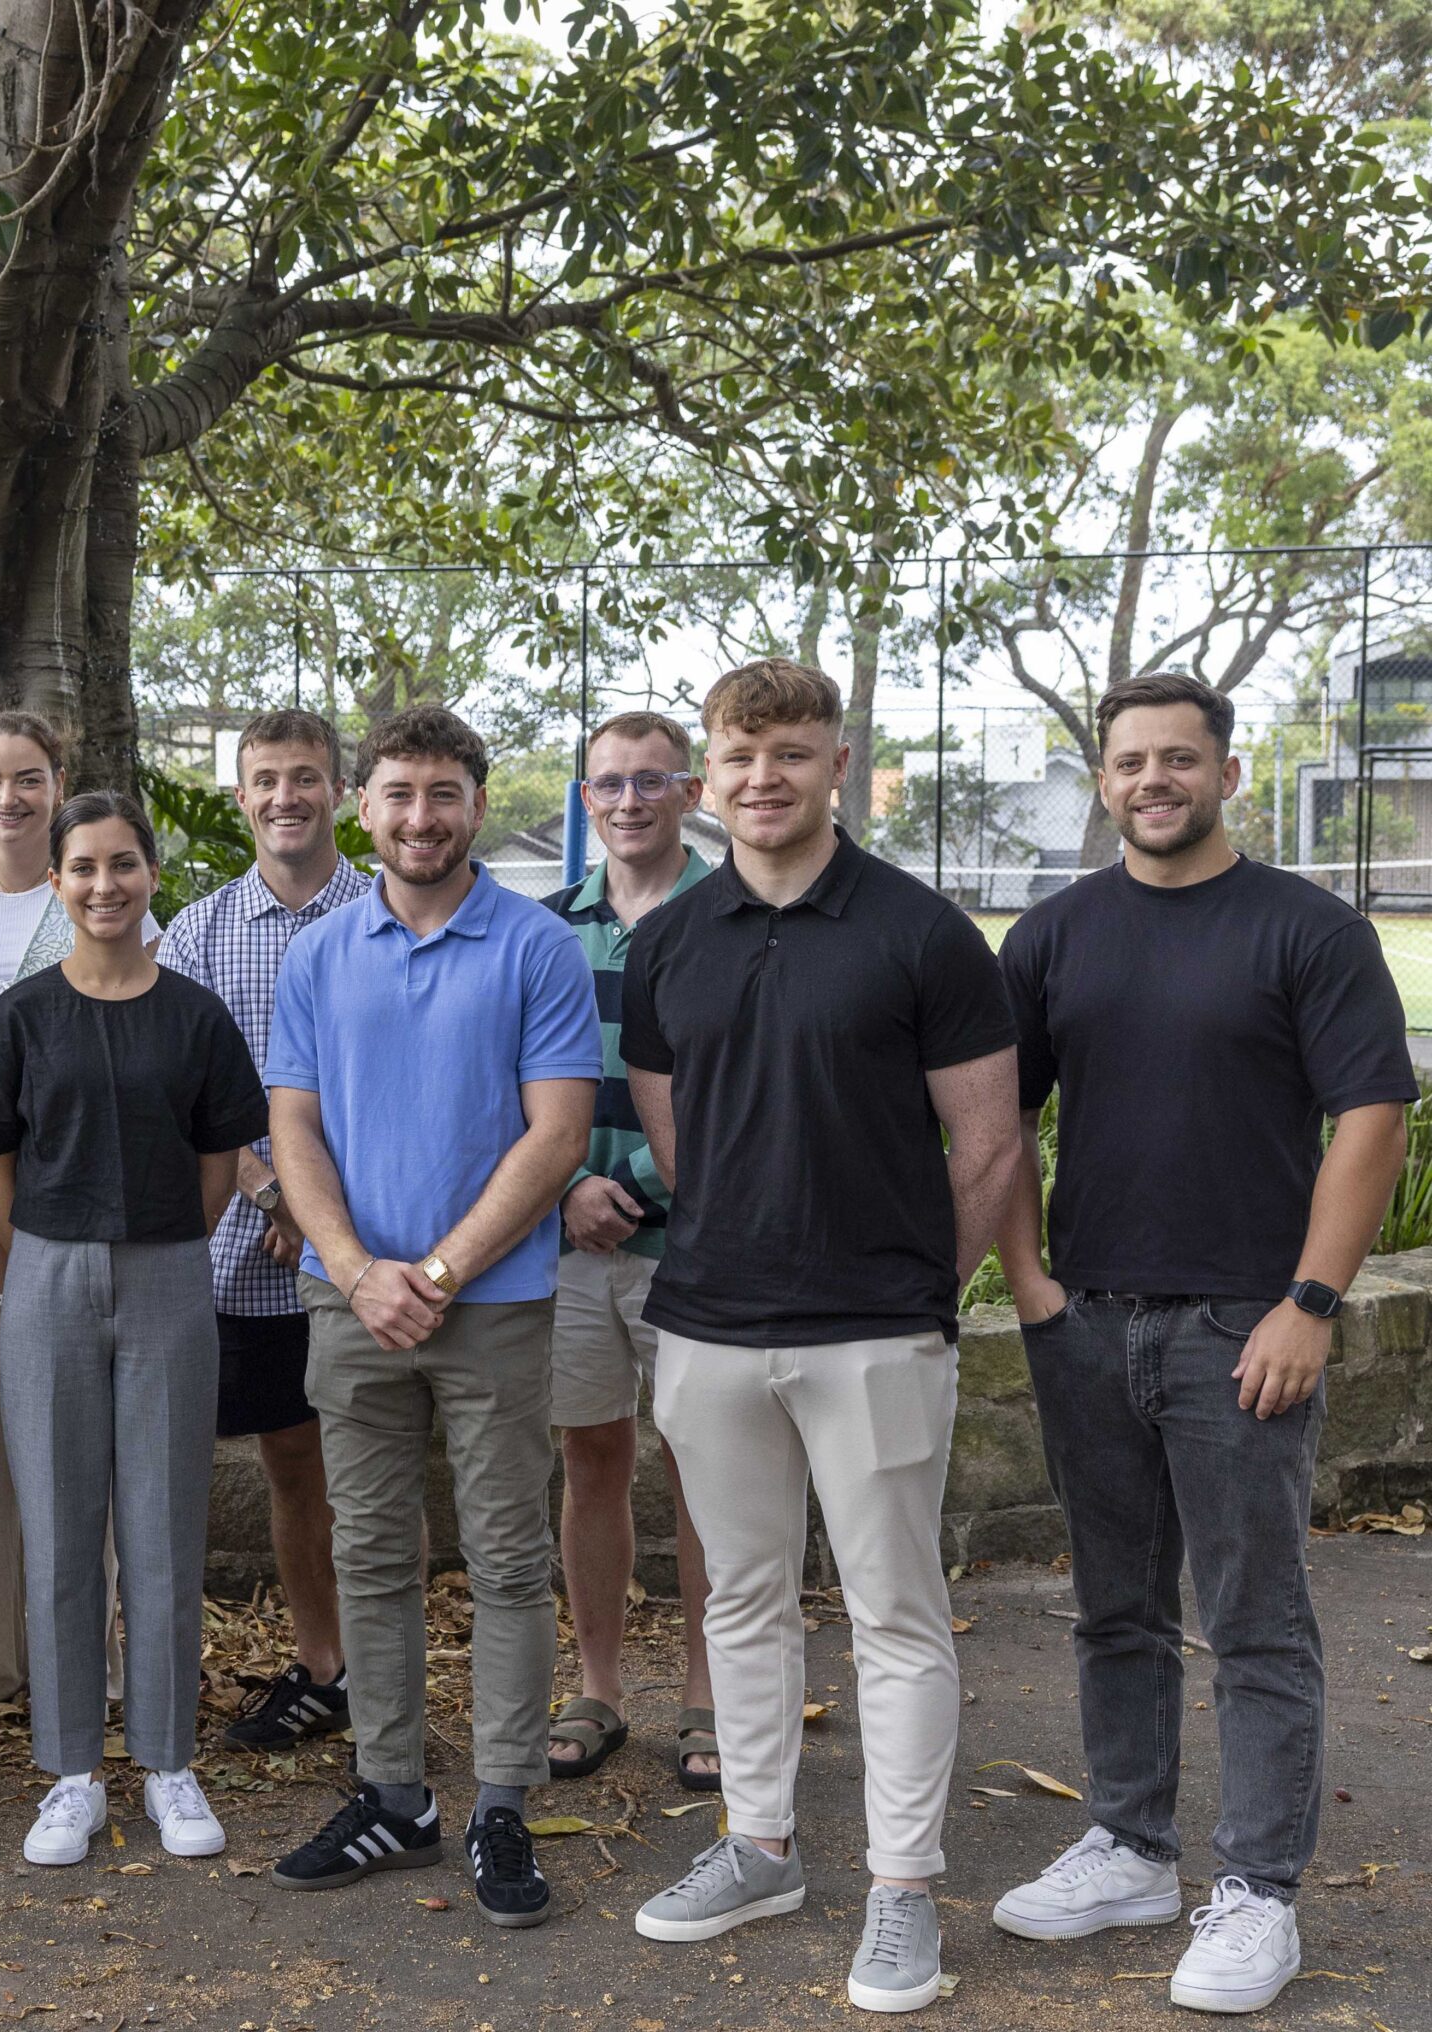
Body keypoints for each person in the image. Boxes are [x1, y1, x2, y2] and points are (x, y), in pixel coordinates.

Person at [988, 673, 1413, 2016]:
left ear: (1229, 774)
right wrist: (1027, 1285)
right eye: (1130, 761)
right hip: (1089, 1322)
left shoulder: (1307, 929)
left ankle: (1259, 1893)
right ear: (1103, 779)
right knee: (1116, 1609)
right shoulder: (1052, 938)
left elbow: (1370, 1118)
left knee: (1255, 1621)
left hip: (1246, 1330)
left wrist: (1312, 1301)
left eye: (1180, 758)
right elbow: (994, 1124)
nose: (1153, 779)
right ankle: (1127, 1845)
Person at [619, 659, 1022, 2014]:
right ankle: (760, 1847)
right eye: (738, 757)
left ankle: (904, 1894)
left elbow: (988, 1141)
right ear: (706, 778)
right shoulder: (673, 938)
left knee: (897, 1616)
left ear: (836, 761)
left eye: (790, 753)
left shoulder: (920, 933)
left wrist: (921, 1295)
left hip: (874, 1333)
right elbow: (680, 1134)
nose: (762, 779)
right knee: (738, 1600)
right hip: (712, 1328)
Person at [261, 706, 601, 1928]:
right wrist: (359, 1271)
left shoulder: (536, 947)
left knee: (509, 1559)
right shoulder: (320, 954)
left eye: (444, 793)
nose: (421, 817)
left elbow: (556, 1134)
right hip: (352, 1306)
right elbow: (291, 1125)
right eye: (399, 793)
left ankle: (500, 1805)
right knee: (371, 1553)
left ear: (475, 803)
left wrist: (440, 1272)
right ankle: (394, 1793)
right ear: (366, 805)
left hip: (492, 1307)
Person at [0, 791, 268, 1869]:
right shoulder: (25, 1015)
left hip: (170, 1269)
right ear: (58, 882)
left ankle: (170, 1759)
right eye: (83, 867)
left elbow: (221, 1159)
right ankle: (72, 1772)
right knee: (58, 1524)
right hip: (44, 1269)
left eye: (124, 865)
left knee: (165, 1522)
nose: (104, 884)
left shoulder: (192, 1014)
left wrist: (168, 1238)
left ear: (149, 877)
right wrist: (28, 1256)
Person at [0, 711, 155, 1723]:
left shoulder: (97, 888)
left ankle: (90, 1661)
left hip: (69, 1204)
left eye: (27, 778)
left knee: (84, 1441)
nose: (8, 797)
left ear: (61, 781)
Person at [153, 710, 368, 1751]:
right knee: (180, 1464)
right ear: (241, 795)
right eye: (266, 778)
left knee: (316, 1462)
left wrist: (320, 1207)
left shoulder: (379, 914)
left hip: (352, 1254)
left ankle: (340, 1667)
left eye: (306, 777)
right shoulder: (197, 931)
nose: (286, 795)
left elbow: (387, 1088)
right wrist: (270, 1191)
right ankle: (158, 1678)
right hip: (226, 1248)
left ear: (340, 791)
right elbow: (194, 1092)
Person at [538, 711, 719, 1790]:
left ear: (689, 792)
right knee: (590, 1458)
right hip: (566, 1243)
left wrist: (640, 1187)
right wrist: (565, 1187)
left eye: (652, 780)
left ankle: (707, 1695)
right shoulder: (545, 927)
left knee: (706, 1469)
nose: (631, 800)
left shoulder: (729, 918)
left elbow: (735, 1091)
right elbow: (506, 1082)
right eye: (609, 782)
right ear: (586, 798)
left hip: (689, 1243)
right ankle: (600, 1686)